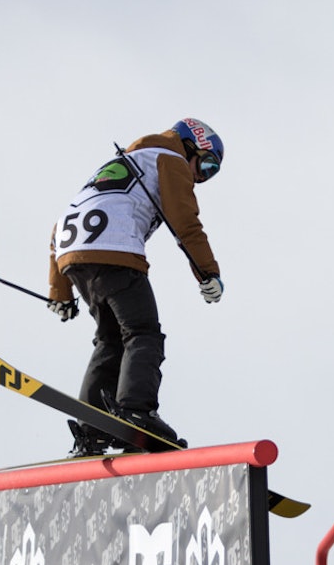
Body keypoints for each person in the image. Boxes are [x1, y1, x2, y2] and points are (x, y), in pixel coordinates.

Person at [46, 117, 225, 456]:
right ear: (191, 145)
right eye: (206, 164)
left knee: (110, 339)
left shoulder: (120, 165)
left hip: (73, 255)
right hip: (115, 250)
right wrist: (207, 272)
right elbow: (184, 222)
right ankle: (136, 411)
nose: (201, 177)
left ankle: (91, 430)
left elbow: (59, 225)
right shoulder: (169, 158)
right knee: (143, 334)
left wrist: (60, 290)